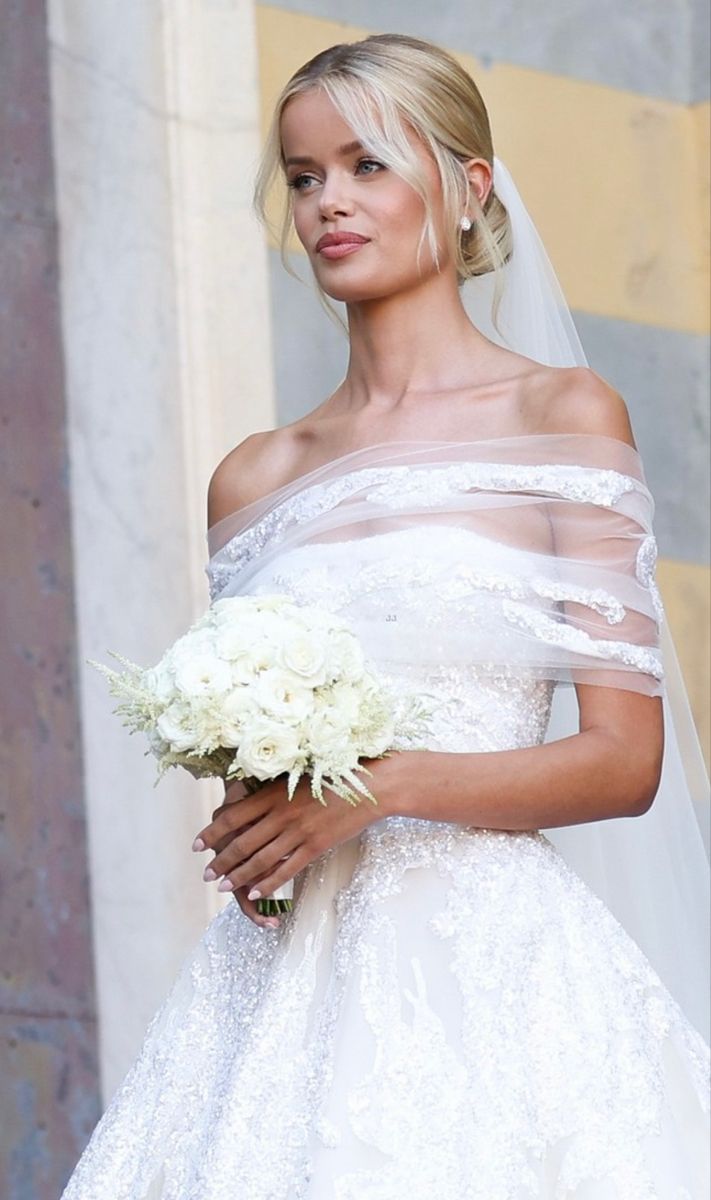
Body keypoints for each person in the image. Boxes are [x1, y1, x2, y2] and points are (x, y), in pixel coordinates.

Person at [61, 33, 709, 1199]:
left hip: (496, 977)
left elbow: (625, 761)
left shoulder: (562, 411)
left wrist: (379, 787)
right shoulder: (252, 477)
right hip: (273, 1001)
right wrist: (252, 829)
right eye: (303, 177)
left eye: (366, 165)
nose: (327, 205)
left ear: (467, 188)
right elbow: (251, 781)